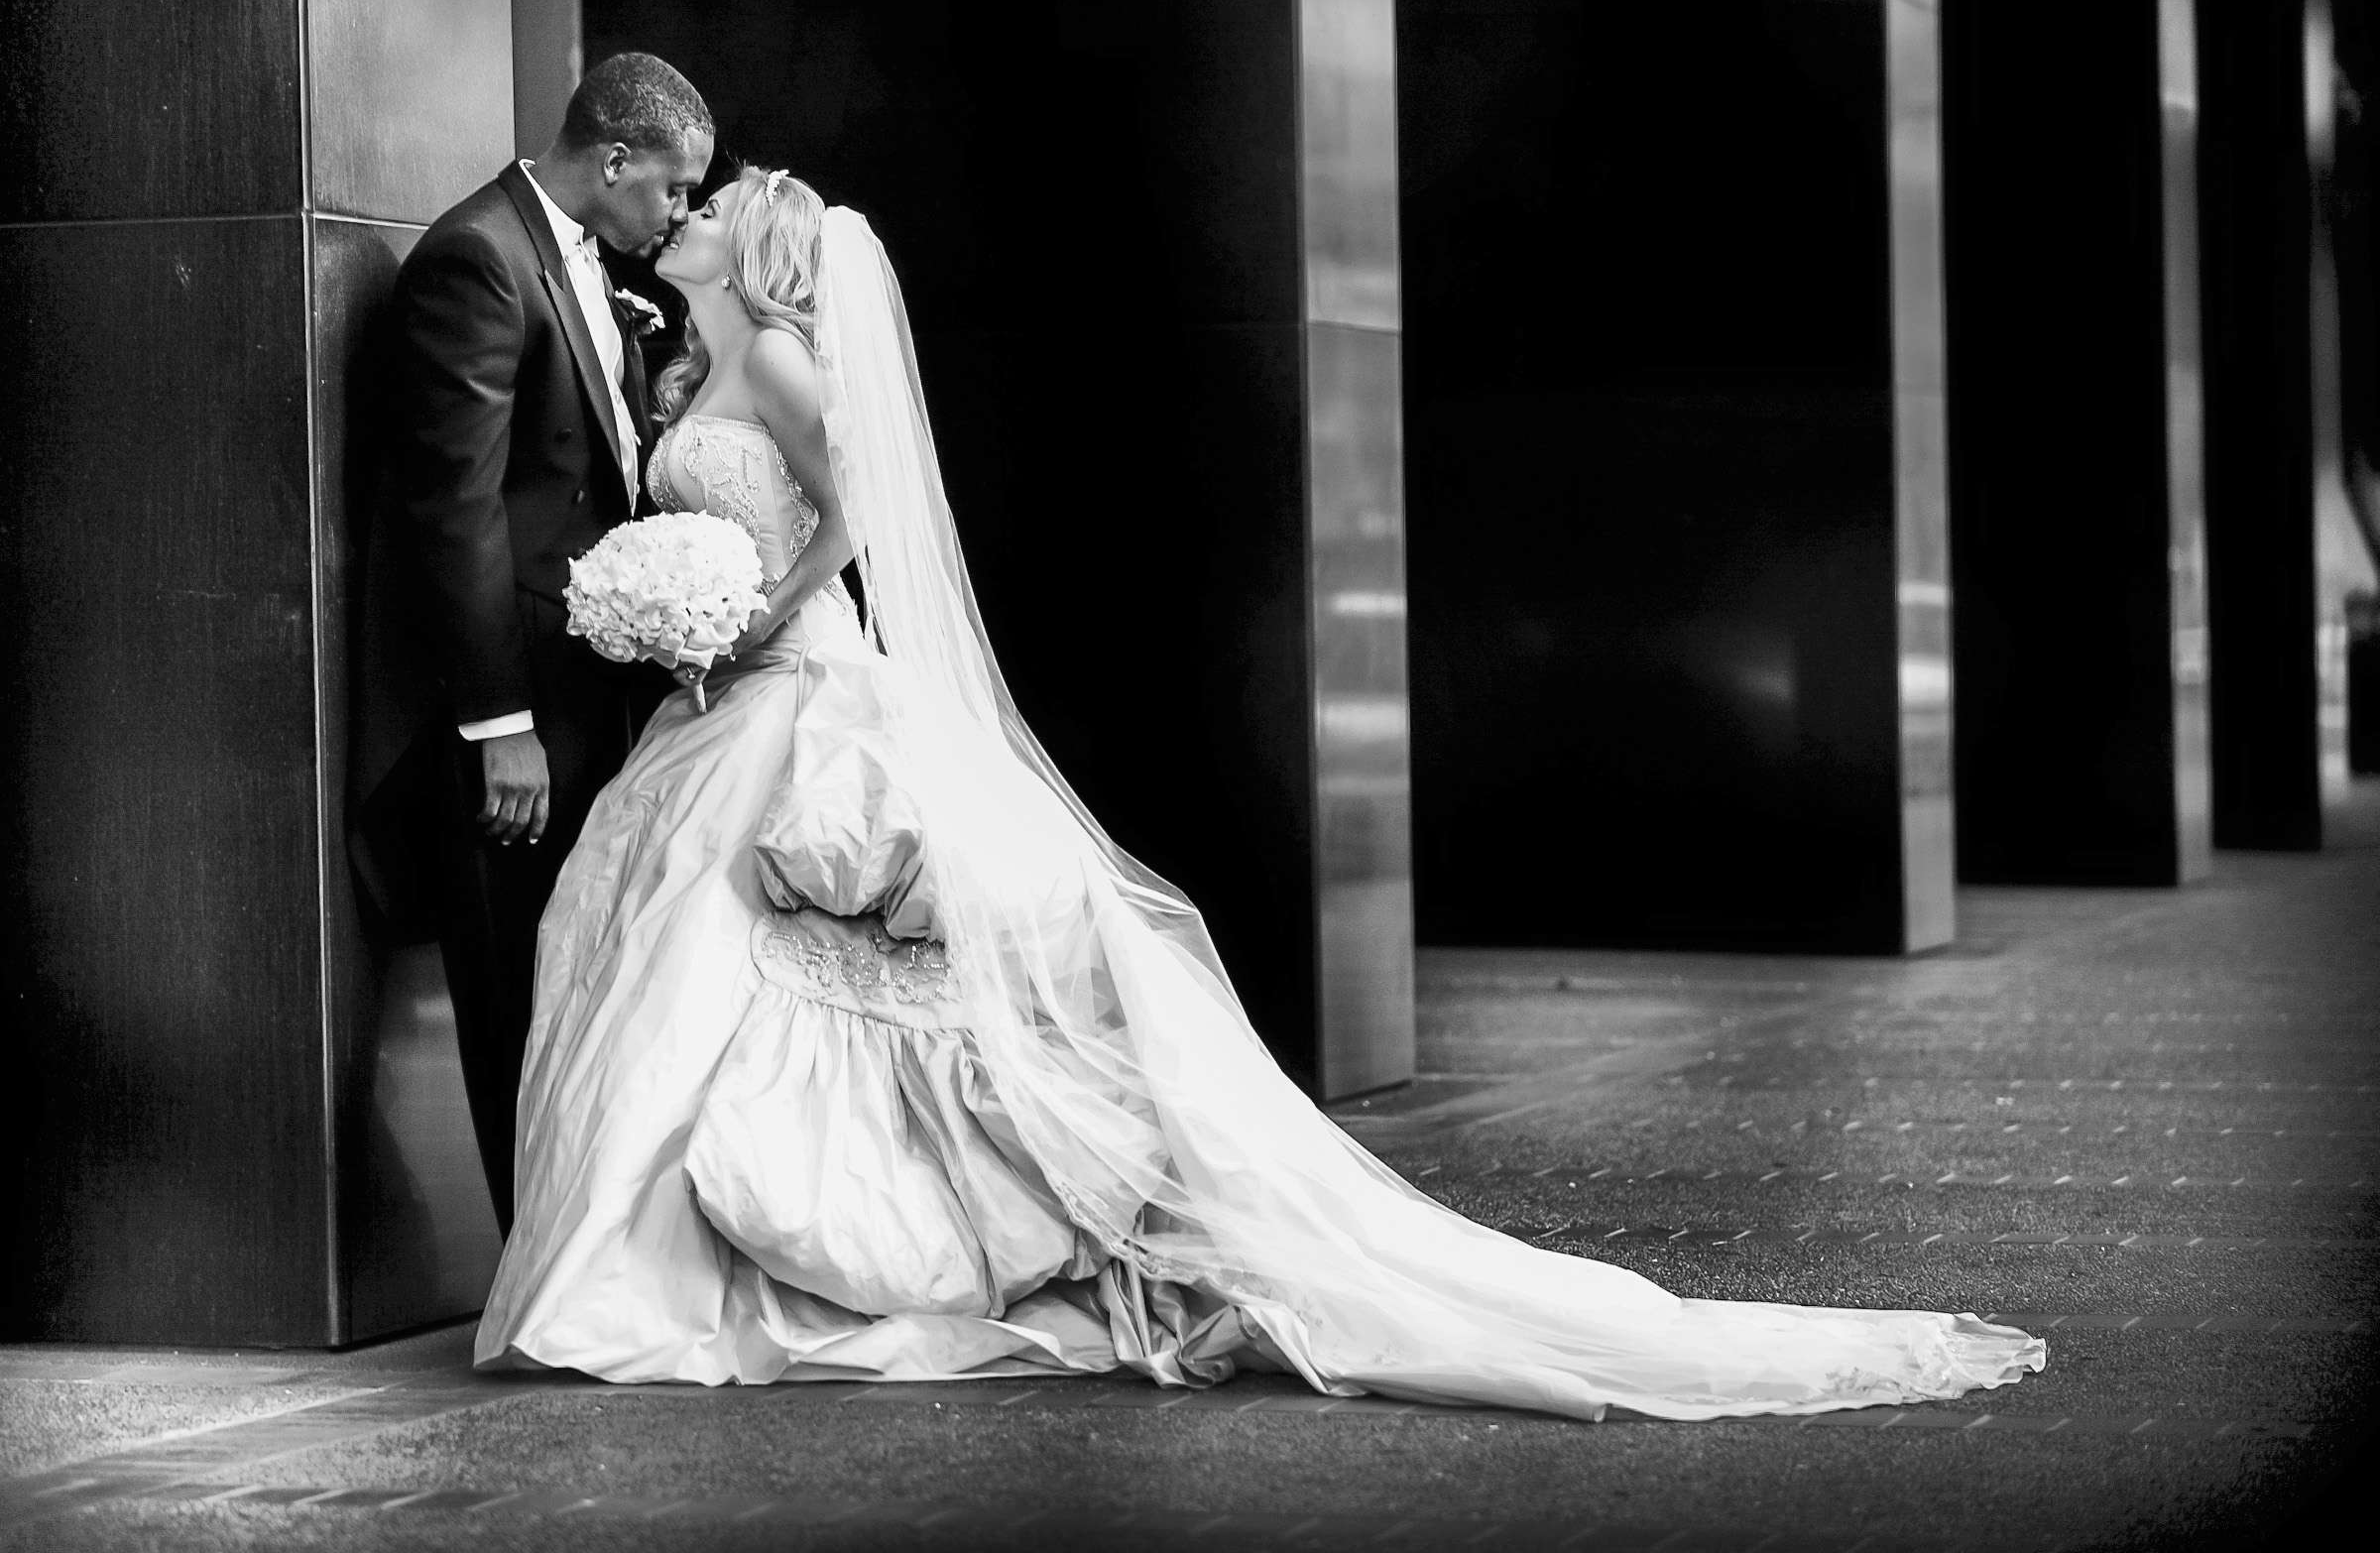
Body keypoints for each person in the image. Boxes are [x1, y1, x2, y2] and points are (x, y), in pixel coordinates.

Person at [474, 168, 2045, 1418]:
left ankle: (751, 1265)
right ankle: (676, 1257)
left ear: (754, 249)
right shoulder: (690, 352)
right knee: (695, 972)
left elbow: (864, 507)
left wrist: (746, 613)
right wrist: (663, 606)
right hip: (721, 701)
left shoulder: (773, 352)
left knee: (767, 970)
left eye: (710, 206)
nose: (689, 217)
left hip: (795, 683)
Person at [354, 54, 713, 1235]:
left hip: (584, 694)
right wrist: (499, 725)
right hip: (514, 712)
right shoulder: (479, 256)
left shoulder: (585, 264)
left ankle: (584, 1250)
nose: (676, 214)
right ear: (611, 162)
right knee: (514, 983)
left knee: (575, 979)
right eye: (669, 188)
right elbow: (452, 509)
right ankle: (537, 1269)